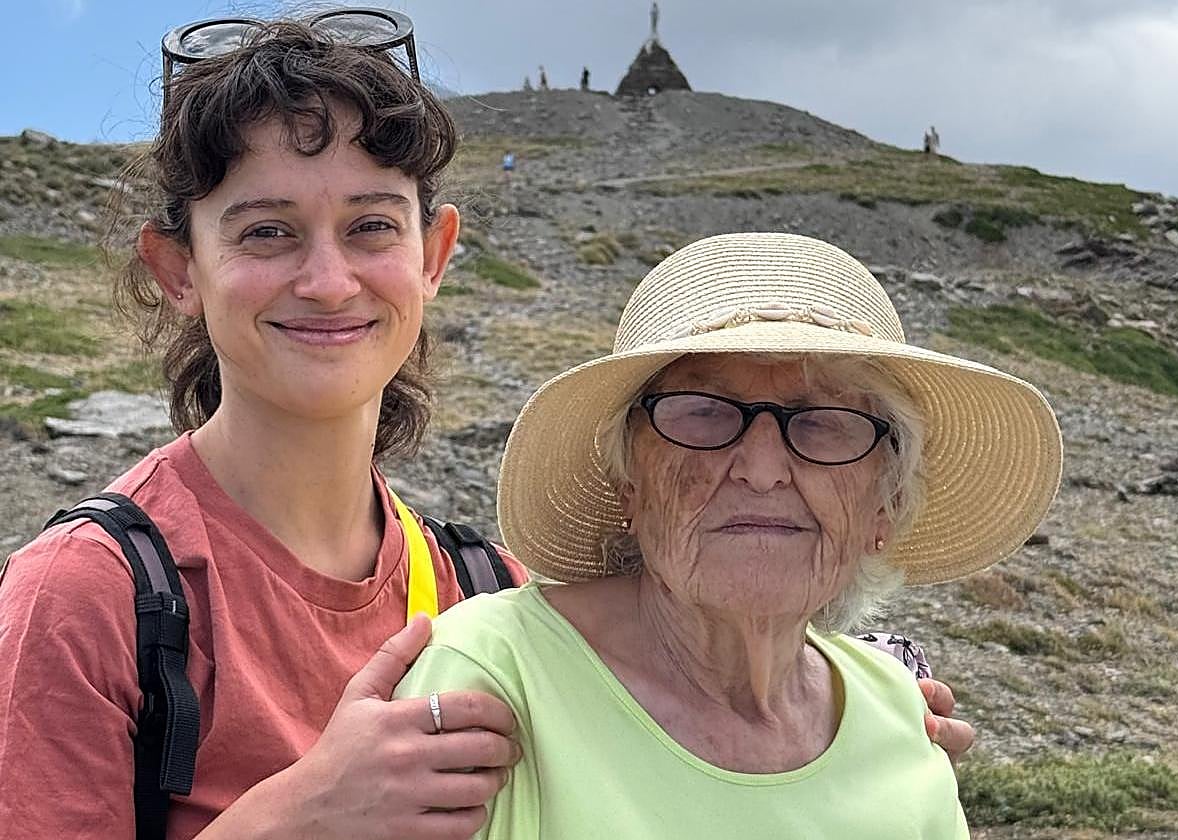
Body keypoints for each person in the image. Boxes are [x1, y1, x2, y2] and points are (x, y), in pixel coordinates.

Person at [0, 18, 527, 840]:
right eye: (267, 232)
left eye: (372, 226)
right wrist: (301, 816)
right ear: (179, 271)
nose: (327, 281)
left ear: (433, 255)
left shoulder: (494, 593)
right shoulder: (84, 599)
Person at [395, 232, 1063, 838]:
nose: (764, 469)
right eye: (704, 413)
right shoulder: (493, 679)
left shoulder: (902, 722)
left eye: (822, 421)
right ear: (631, 481)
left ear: (882, 508)